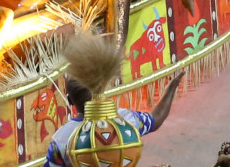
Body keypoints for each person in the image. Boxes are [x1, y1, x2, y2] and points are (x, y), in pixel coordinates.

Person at [44, 61, 181, 167]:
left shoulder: (60, 138)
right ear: (101, 91)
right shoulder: (124, 119)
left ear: (69, 100)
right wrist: (170, 89)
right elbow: (155, 120)